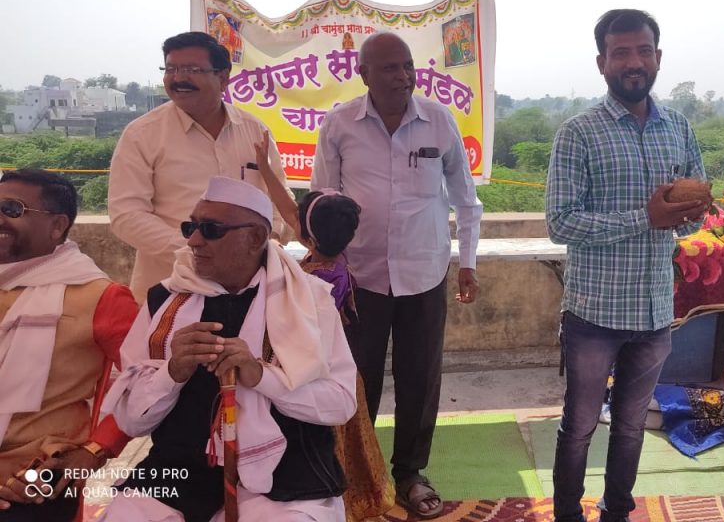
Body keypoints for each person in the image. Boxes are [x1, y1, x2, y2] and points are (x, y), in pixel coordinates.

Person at [98, 177, 357, 522]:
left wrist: (262, 376)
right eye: (190, 227)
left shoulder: (309, 301)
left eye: (211, 229)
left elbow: (341, 403)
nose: (193, 240)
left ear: (255, 238)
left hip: (287, 478)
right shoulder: (163, 300)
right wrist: (171, 373)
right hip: (180, 473)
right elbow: (131, 420)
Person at [311, 31, 483, 519]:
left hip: (424, 272)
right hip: (358, 279)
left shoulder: (439, 120)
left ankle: (410, 473)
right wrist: (324, 267)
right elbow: (321, 199)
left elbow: (466, 200)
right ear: (363, 73)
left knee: (420, 378)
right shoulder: (339, 123)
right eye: (390, 68)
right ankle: (355, 475)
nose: (403, 76)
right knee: (355, 378)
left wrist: (468, 263)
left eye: (408, 66)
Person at [545, 9, 708, 522]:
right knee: (579, 426)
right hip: (594, 313)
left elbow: (689, 222)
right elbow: (560, 223)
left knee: (632, 426)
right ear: (602, 63)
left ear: (657, 57)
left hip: (655, 312)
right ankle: (568, 514)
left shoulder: (679, 129)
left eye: (642, 51)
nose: (633, 62)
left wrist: (691, 212)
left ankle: (616, 512)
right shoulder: (578, 133)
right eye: (621, 53)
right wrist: (645, 217)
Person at [255, 134, 395, 522]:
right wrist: (265, 168)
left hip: (315, 376)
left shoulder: (314, 279)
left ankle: (334, 505)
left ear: (307, 234)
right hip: (342, 375)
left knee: (327, 447)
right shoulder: (337, 257)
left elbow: (290, 214)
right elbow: (291, 211)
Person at [109, 31, 292, 303]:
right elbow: (126, 215)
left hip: (249, 289)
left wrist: (268, 241)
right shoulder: (142, 135)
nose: (179, 78)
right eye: (171, 69)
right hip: (171, 289)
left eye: (192, 70)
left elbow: (277, 197)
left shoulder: (255, 131)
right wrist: (197, 250)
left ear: (223, 77)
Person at [0, 169, 136, 522]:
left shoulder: (100, 297)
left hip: (37, 473)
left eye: (11, 209)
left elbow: (147, 384)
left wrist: (94, 451)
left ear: (57, 225)